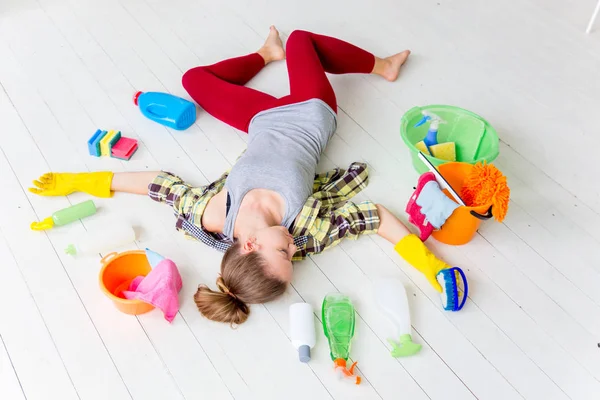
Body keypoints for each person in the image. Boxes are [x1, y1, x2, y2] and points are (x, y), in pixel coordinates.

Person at [29, 27, 457, 325]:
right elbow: (377, 219)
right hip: (310, 114)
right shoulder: (307, 229)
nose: (293, 248)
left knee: (193, 80)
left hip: (263, 120)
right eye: (292, 256)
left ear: (248, 244)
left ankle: (275, 56)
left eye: (283, 253)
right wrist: (431, 265)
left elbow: (155, 184)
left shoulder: (213, 214)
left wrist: (82, 181)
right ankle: (382, 66)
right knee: (303, 40)